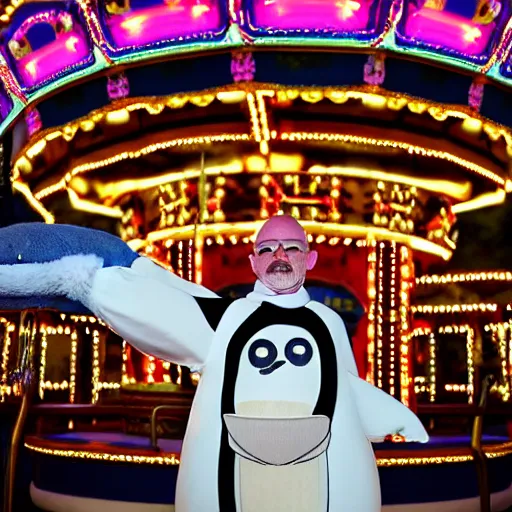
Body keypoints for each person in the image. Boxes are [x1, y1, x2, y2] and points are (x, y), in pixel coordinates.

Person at [0, 215, 428, 512]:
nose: (280, 255)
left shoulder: (330, 323)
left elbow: (346, 391)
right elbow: (151, 296)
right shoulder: (228, 321)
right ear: (254, 261)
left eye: (292, 247)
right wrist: (91, 278)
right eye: (268, 248)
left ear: (309, 258)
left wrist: (389, 415)